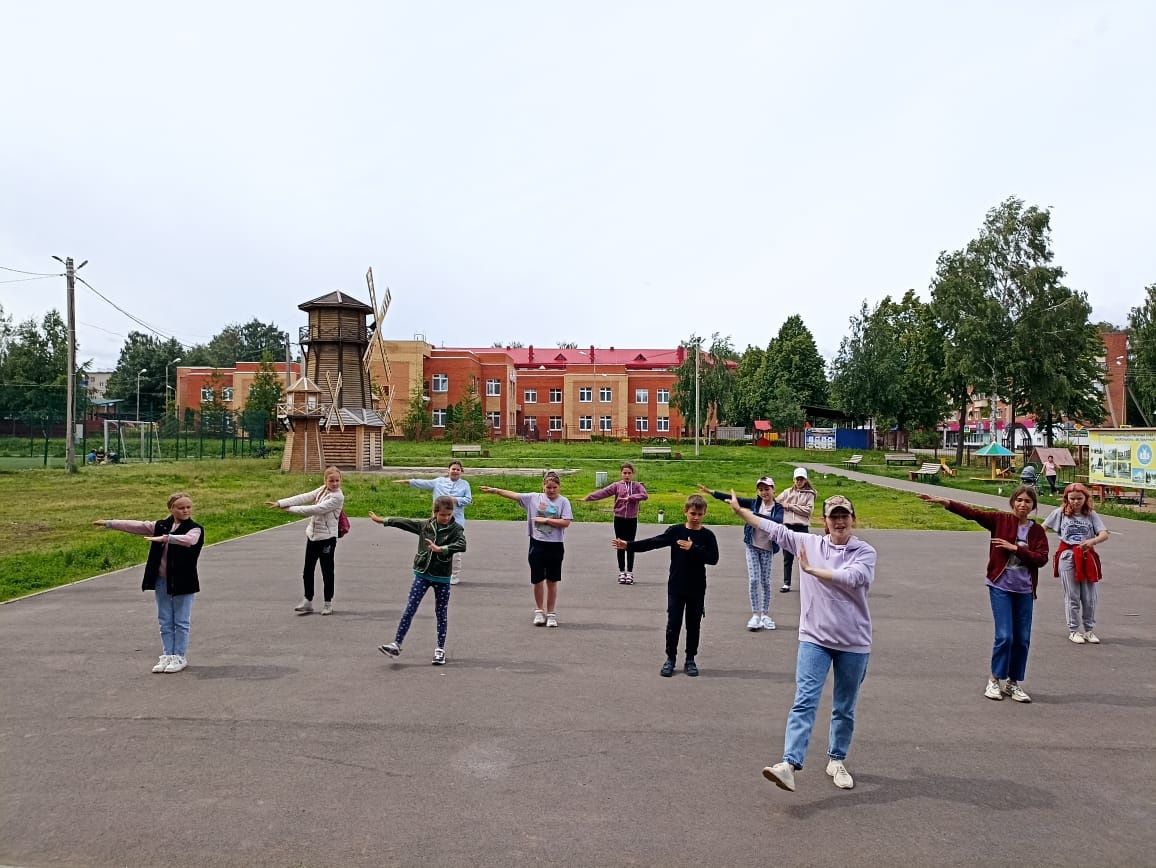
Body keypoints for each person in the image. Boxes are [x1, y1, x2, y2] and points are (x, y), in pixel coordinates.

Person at [728, 492, 875, 792]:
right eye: (834, 516)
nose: (839, 521)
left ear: (853, 519)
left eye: (844, 515)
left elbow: (852, 578)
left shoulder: (864, 552)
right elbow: (774, 528)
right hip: (815, 638)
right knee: (804, 700)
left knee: (844, 706)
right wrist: (741, 511)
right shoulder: (808, 543)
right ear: (824, 521)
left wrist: (812, 571)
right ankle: (789, 764)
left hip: (854, 642)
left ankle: (837, 759)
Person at [918, 487, 1049, 703]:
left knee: (1022, 639)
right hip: (1001, 586)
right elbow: (973, 513)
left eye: (1027, 501)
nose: (1023, 505)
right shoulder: (1000, 520)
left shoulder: (1037, 532)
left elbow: (1041, 559)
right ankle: (994, 680)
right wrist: (946, 502)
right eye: (1019, 500)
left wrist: (1016, 549)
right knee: (1005, 636)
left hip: (1024, 590)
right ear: (1012, 503)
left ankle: (1013, 683)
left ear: (1033, 506)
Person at [93, 492, 205, 674]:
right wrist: (109, 523)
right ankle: (168, 654)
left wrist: (167, 538)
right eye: (181, 507)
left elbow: (189, 541)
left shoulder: (195, 528)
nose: (185, 510)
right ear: (171, 509)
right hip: (162, 581)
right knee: (165, 620)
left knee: (181, 621)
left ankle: (180, 656)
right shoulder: (161, 525)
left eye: (188, 507)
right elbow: (137, 525)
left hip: (184, 581)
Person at [613, 494, 719, 677]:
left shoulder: (707, 535)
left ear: (705, 514)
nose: (696, 517)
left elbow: (713, 559)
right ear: (685, 511)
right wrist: (628, 545)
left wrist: (693, 549)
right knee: (674, 624)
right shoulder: (676, 531)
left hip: (697, 588)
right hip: (676, 586)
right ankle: (670, 658)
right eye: (693, 513)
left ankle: (690, 659)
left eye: (700, 514)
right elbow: (653, 543)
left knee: (693, 625)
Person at [371, 496, 467, 665]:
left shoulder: (455, 529)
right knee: (410, 608)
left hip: (442, 577)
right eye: (443, 515)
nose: (446, 518)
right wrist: (384, 521)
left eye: (449, 514)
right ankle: (396, 644)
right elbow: (405, 523)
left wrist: (442, 549)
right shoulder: (425, 526)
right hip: (422, 574)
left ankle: (440, 649)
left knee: (441, 613)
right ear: (435, 512)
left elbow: (462, 545)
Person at [480, 471, 573, 627]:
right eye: (548, 487)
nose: (551, 490)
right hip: (537, 544)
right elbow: (514, 495)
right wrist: (495, 490)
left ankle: (551, 614)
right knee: (537, 579)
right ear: (543, 486)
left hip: (555, 545)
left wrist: (546, 520)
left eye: (554, 487)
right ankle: (539, 611)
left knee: (552, 580)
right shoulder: (533, 498)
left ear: (559, 487)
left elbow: (566, 522)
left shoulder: (563, 502)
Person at [698, 477, 783, 630]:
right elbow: (732, 499)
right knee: (754, 580)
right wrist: (711, 492)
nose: (764, 492)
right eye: (761, 489)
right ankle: (756, 615)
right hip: (752, 545)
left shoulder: (778, 508)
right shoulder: (754, 503)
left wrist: (751, 515)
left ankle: (765, 614)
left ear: (773, 490)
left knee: (765, 581)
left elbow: (776, 522)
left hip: (767, 548)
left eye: (767, 489)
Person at [267, 466, 345, 615]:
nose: (334, 483)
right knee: (307, 570)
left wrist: (289, 509)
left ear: (340, 480)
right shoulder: (322, 490)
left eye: (337, 480)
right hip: (313, 536)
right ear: (325, 481)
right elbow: (305, 497)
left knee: (327, 571)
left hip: (327, 538)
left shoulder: (337, 497)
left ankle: (328, 603)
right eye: (331, 480)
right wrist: (281, 503)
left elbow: (315, 509)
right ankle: (308, 600)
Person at [1042, 483, 1109, 644]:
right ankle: (1074, 630)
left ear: (1086, 498)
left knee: (1089, 596)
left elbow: (1104, 534)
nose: (1076, 502)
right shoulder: (1060, 513)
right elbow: (1042, 528)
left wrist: (1092, 541)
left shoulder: (1091, 515)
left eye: (1080, 498)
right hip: (1067, 556)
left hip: (1086, 556)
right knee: (1072, 595)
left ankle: (1088, 630)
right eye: (1072, 498)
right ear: (1066, 499)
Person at [395, 461, 473, 584]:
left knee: (454, 548)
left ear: (461, 472)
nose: (455, 471)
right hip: (437, 521)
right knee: (433, 544)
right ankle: (430, 570)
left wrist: (455, 499)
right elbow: (423, 483)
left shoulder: (464, 484)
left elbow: (468, 500)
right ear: (448, 470)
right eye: (453, 469)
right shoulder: (439, 481)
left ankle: (454, 575)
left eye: (458, 469)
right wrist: (408, 481)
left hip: (456, 520)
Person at [584, 462, 649, 585]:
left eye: (629, 473)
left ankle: (629, 572)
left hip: (631, 519)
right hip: (619, 518)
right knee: (620, 544)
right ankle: (621, 571)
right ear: (621, 473)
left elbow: (644, 495)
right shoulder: (617, 486)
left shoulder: (636, 486)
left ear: (633, 474)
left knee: (630, 545)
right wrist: (589, 497)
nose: (627, 475)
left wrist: (631, 498)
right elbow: (603, 492)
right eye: (624, 473)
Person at [776, 467, 816, 592]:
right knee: (787, 557)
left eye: (802, 479)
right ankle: (786, 583)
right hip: (788, 527)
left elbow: (807, 511)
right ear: (794, 479)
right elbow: (776, 503)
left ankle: (807, 583)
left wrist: (789, 506)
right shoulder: (787, 492)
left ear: (805, 480)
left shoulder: (810, 494)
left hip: (801, 527)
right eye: (797, 479)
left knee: (803, 556)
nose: (799, 481)